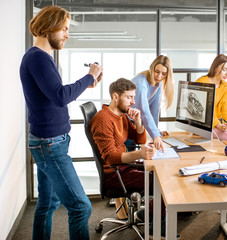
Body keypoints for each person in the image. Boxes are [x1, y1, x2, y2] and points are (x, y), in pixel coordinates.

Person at [19, 6, 103, 240]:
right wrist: (90, 76)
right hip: (50, 146)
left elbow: (56, 94)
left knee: (47, 204)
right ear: (49, 27)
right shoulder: (37, 57)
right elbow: (60, 96)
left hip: (51, 142)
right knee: (81, 207)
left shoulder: (41, 57)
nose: (67, 34)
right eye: (64, 29)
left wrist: (88, 82)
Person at [91, 78, 179, 239]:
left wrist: (138, 121)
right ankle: (154, 227)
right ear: (115, 97)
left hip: (124, 167)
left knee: (164, 175)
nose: (133, 101)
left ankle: (150, 212)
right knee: (164, 182)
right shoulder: (103, 119)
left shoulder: (121, 115)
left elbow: (140, 139)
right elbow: (111, 157)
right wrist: (139, 154)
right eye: (129, 97)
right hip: (115, 174)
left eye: (133, 97)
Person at [132, 55, 174, 151]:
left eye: (164, 73)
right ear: (152, 68)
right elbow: (144, 110)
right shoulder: (141, 84)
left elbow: (154, 109)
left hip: (135, 122)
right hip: (124, 123)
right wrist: (155, 135)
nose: (159, 76)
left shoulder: (157, 83)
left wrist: (156, 132)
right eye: (157, 71)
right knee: (127, 158)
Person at [196, 54, 227, 140]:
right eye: (224, 70)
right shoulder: (202, 82)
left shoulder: (225, 86)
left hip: (214, 124)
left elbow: (226, 109)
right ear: (215, 67)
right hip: (201, 123)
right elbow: (204, 110)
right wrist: (218, 125)